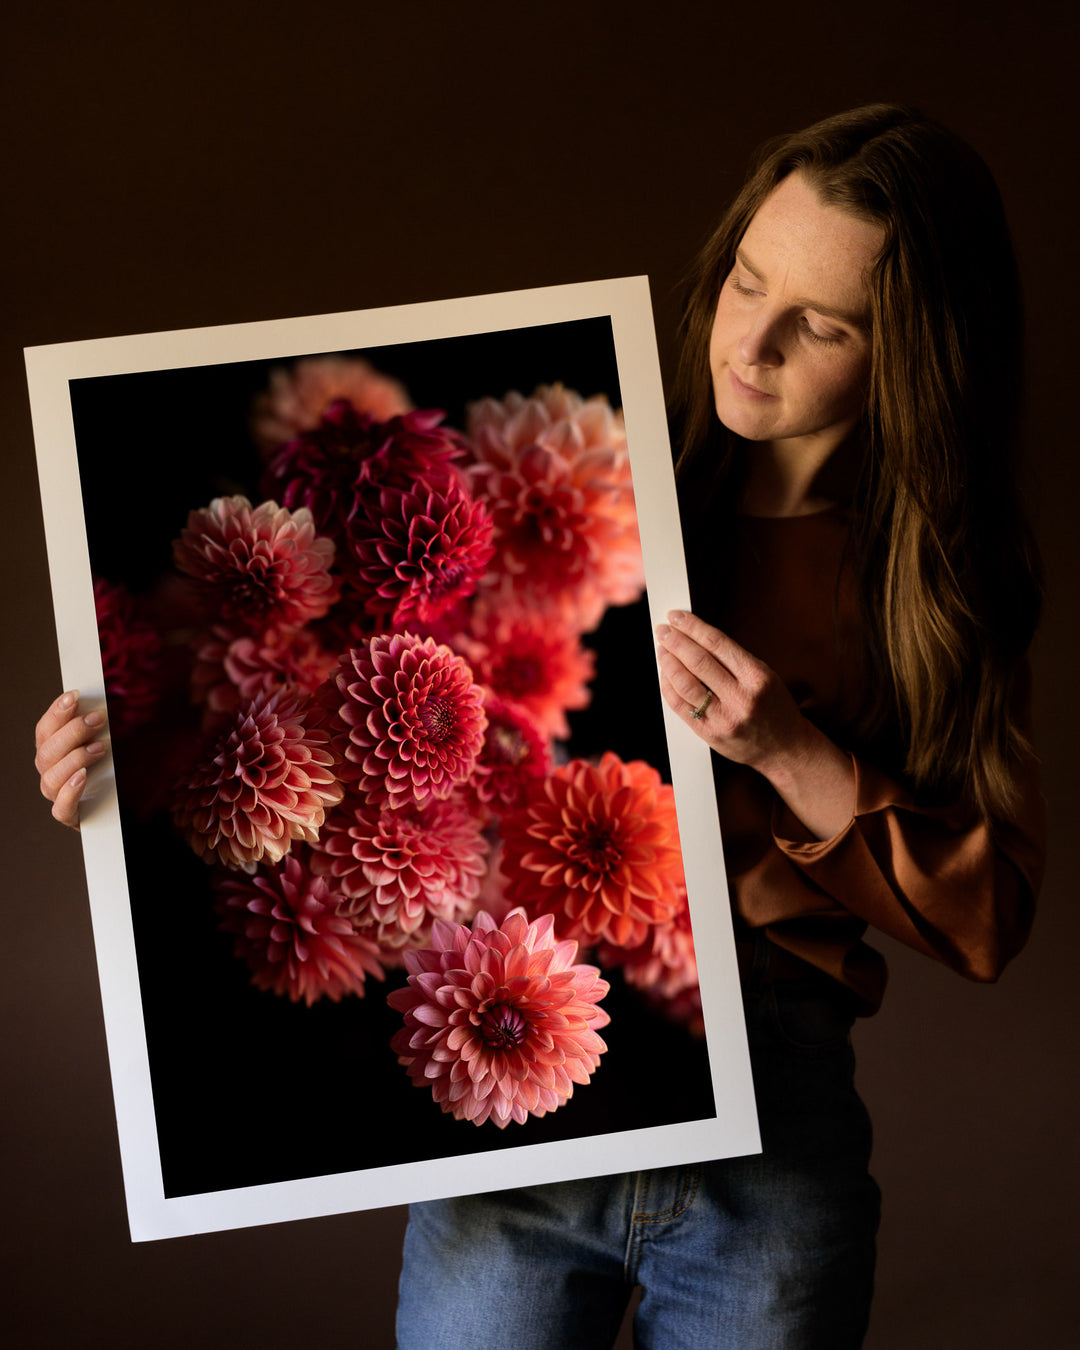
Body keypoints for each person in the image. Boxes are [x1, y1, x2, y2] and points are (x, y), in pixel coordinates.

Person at [35, 104, 1044, 1350]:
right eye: (745, 279)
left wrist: (790, 751)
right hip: (516, 1079)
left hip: (777, 1121)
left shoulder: (939, 582)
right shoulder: (608, 477)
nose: (753, 342)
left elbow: (990, 913)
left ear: (914, 354)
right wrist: (121, 738)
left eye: (822, 326)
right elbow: (347, 710)